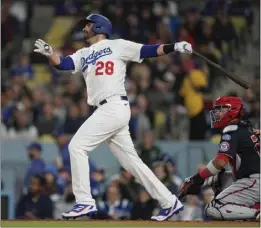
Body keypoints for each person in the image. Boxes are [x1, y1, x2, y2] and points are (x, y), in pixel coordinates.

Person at [33, 13, 192, 221]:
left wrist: (175, 46)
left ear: (99, 27)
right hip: (106, 110)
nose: (84, 29)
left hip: (113, 105)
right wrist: (50, 53)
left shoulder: (117, 45)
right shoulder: (83, 53)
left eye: (88, 25)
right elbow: (62, 64)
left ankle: (84, 201)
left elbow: (148, 50)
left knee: (76, 147)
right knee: (133, 163)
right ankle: (169, 202)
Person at [178, 96, 260, 221]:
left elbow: (220, 162)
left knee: (214, 208)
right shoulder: (247, 129)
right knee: (219, 181)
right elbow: (224, 171)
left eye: (221, 109)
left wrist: (198, 178)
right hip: (252, 180)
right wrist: (199, 181)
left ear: (232, 110)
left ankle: (256, 215)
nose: (216, 113)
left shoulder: (232, 130)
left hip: (253, 182)